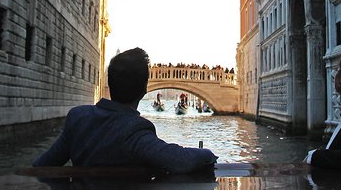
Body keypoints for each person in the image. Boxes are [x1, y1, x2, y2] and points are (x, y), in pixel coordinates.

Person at [33, 47, 217, 173]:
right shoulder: (136, 131)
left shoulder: (77, 117)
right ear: (144, 89)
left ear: (110, 83)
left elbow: (42, 165)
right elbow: (181, 160)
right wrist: (208, 154)